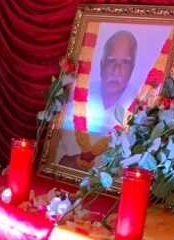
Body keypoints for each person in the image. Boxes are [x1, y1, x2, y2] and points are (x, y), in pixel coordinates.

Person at [56, 29, 139, 170]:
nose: (116, 71)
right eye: (111, 61)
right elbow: (55, 144)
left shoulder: (142, 107)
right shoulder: (77, 93)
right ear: (101, 66)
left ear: (132, 69)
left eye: (125, 63)